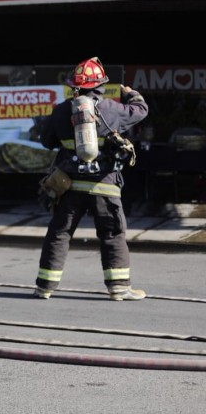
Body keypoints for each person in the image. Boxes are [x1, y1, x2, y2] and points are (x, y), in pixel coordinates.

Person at [34, 57, 149, 301]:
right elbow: (141, 111)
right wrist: (130, 94)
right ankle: (119, 288)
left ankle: (44, 287)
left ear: (74, 87)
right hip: (105, 187)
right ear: (101, 86)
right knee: (112, 235)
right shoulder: (112, 109)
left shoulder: (62, 110)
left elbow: (46, 141)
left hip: (69, 187)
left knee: (59, 234)